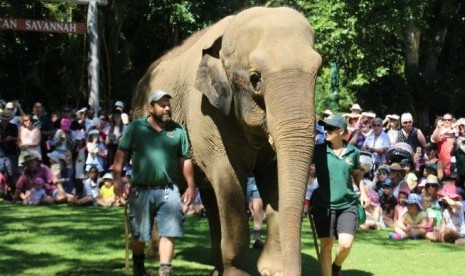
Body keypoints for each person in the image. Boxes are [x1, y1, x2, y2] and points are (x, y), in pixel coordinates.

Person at [113, 90, 196, 276]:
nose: (167, 108)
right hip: (141, 190)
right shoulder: (135, 128)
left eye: (168, 104)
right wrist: (117, 179)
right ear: (151, 108)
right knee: (139, 234)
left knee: (170, 231)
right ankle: (138, 264)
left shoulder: (178, 131)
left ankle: (165, 270)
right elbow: (121, 154)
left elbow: (185, 160)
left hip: (169, 189)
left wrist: (191, 185)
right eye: (162, 105)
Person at [311, 115, 368, 276]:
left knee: (345, 244)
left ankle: (336, 266)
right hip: (324, 205)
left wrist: (363, 193)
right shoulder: (319, 151)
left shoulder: (353, 152)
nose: (325, 131)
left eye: (330, 128)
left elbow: (357, 173)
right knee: (327, 245)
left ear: (341, 131)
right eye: (325, 128)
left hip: (348, 204)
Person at [246, 174, 265, 249]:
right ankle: (239, 238)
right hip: (243, 177)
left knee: (258, 210)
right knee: (240, 209)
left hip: (257, 179)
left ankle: (257, 238)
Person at [451, 118, 465, 188]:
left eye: (463, 127)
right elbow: (452, 154)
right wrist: (454, 146)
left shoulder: (459, 141)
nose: (462, 129)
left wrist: (460, 144)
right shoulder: (458, 139)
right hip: (459, 171)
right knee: (459, 189)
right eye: (460, 127)